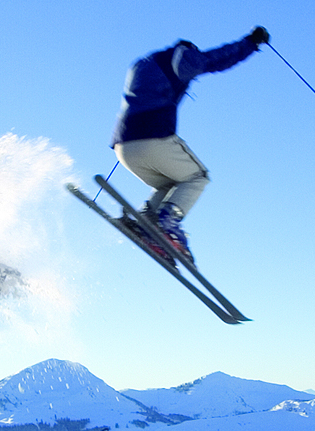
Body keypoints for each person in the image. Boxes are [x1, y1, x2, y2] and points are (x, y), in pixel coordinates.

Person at [111, 26, 269, 262]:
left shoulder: (142, 64)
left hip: (123, 147)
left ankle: (146, 221)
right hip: (152, 137)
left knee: (170, 183)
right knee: (198, 177)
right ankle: (168, 224)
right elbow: (215, 59)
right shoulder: (181, 56)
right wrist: (251, 43)